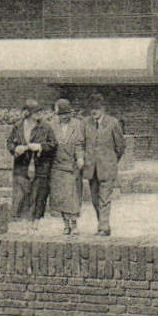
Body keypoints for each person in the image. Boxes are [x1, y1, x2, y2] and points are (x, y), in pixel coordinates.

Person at [82, 94, 127, 235]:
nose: (94, 111)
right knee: (95, 200)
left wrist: (111, 160)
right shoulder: (85, 123)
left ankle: (104, 227)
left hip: (107, 168)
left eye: (97, 108)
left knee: (105, 198)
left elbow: (120, 146)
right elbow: (82, 143)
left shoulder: (113, 123)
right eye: (91, 109)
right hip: (91, 168)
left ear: (103, 108)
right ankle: (101, 224)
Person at [7, 99, 53, 222]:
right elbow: (10, 143)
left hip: (40, 166)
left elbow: (53, 144)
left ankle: (34, 221)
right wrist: (15, 148)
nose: (38, 114)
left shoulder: (46, 127)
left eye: (39, 111)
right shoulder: (18, 126)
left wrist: (40, 147)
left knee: (37, 194)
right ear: (28, 113)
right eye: (35, 112)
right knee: (20, 193)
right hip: (21, 165)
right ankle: (19, 219)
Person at [46, 98, 88, 234]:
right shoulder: (51, 125)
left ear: (70, 113)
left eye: (66, 114)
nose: (64, 117)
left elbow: (79, 144)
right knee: (61, 197)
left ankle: (74, 224)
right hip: (57, 166)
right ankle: (66, 224)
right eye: (61, 115)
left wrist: (80, 158)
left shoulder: (77, 125)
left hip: (72, 165)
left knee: (73, 196)